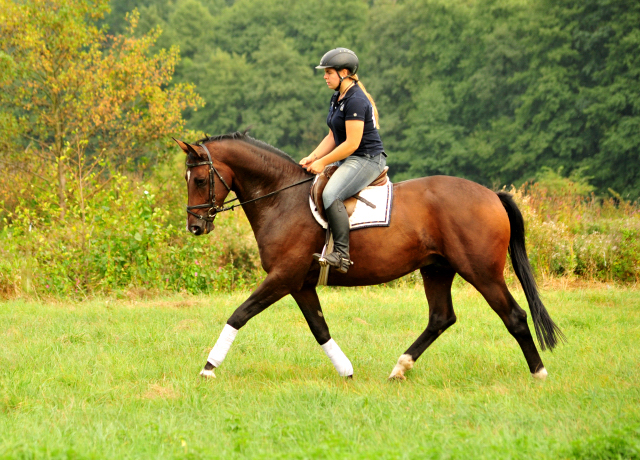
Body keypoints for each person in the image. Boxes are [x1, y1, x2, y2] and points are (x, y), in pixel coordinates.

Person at [300, 48, 387, 274]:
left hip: (366, 159)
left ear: (344, 73)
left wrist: (324, 162)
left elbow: (351, 144)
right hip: (349, 158)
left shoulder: (356, 100)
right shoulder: (337, 97)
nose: (324, 76)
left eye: (328, 72)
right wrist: (313, 157)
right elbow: (332, 136)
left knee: (331, 194)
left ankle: (341, 254)